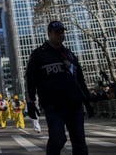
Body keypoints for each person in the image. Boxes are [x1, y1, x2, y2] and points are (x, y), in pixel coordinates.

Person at [25, 21, 93, 155]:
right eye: (57, 32)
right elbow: (29, 80)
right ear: (49, 33)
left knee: (80, 143)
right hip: (53, 106)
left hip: (74, 105)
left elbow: (80, 79)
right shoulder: (39, 54)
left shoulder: (69, 54)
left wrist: (88, 100)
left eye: (62, 32)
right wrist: (30, 102)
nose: (61, 35)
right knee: (58, 139)